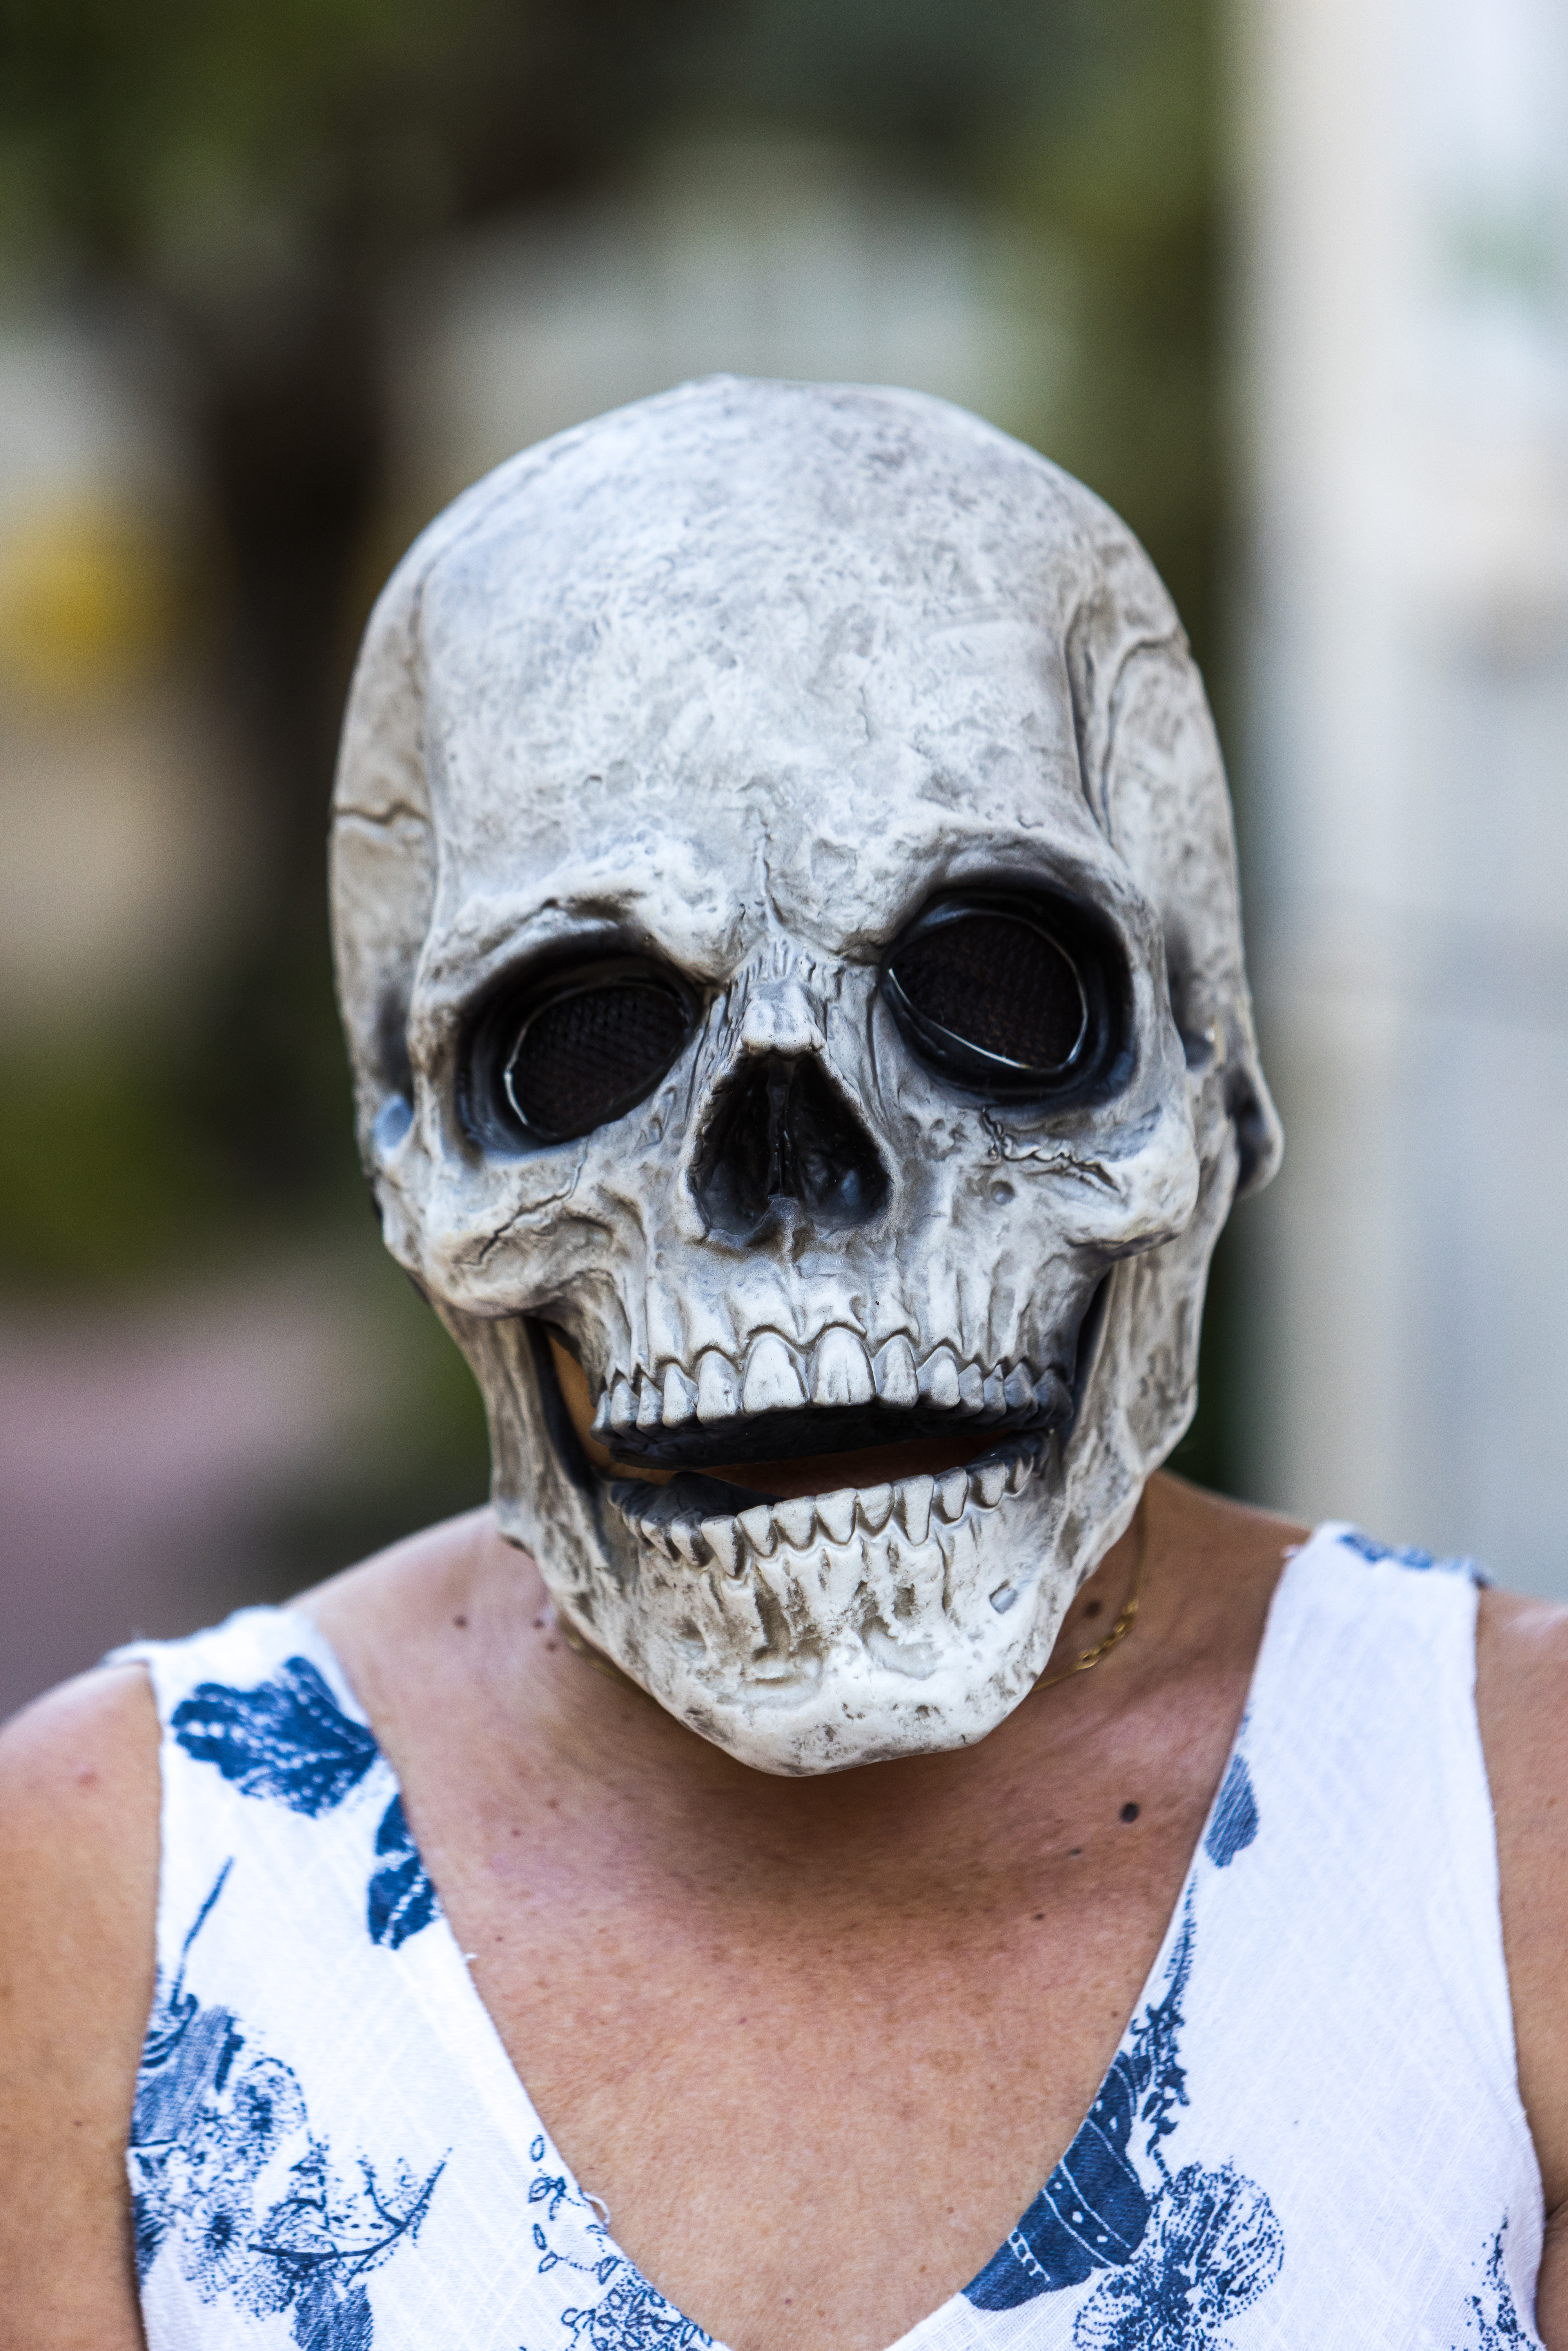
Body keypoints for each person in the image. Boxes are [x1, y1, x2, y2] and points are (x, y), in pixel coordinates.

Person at [4, 378, 1568, 2351]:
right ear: (408, 1153)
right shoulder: (93, 1903)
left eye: (988, 988)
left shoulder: (1528, 1835)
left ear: (1209, 1073)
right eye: (579, 1042)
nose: (790, 1183)